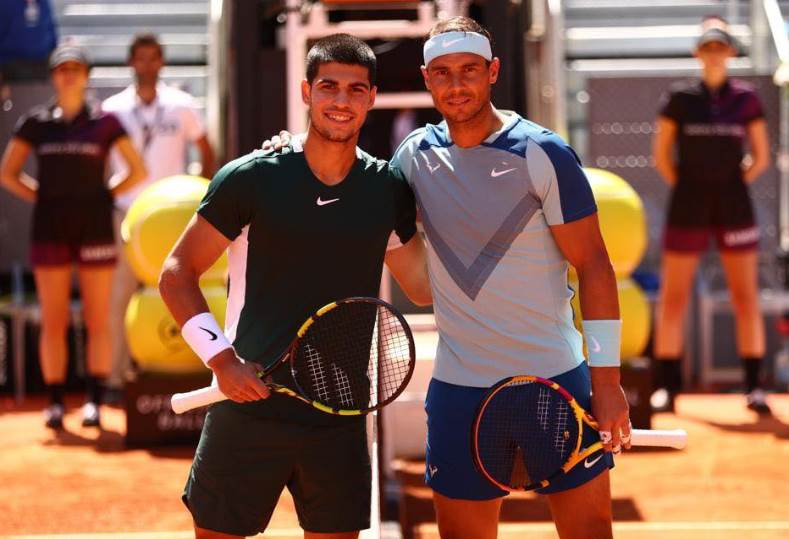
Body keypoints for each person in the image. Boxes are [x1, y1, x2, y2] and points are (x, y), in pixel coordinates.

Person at [266, 16, 631, 539]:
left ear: (493, 72)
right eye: (442, 72)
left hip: (555, 380)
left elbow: (595, 265)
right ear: (425, 78)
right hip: (460, 390)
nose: (456, 84)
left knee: (589, 532)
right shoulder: (414, 156)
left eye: (468, 70)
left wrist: (609, 383)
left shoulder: (543, 153)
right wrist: (290, 150)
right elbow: (360, 197)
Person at [158, 34, 430, 539]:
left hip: (340, 413)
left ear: (372, 98)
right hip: (246, 411)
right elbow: (177, 274)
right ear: (306, 92)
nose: (341, 101)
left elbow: (424, 288)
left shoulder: (387, 190)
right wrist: (221, 361)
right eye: (329, 87)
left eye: (355, 89)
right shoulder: (251, 178)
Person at [0, 44, 146, 429]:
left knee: (97, 319)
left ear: (86, 75)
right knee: (54, 319)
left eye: (76, 69)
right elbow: (7, 172)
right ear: (53, 76)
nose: (68, 75)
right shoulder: (35, 122)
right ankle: (54, 402)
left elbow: (137, 169)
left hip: (95, 227)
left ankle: (94, 400)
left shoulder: (105, 121)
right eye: (62, 69)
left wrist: (105, 195)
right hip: (50, 227)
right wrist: (43, 198)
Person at [652, 16, 772, 415]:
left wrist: (730, 183)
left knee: (744, 296)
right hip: (688, 203)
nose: (714, 54)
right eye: (708, 47)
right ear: (697, 53)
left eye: (721, 47)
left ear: (731, 52)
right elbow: (662, 156)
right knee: (674, 297)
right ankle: (669, 388)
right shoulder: (680, 98)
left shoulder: (747, 99)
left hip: (734, 205)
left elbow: (761, 156)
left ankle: (754, 388)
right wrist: (691, 185)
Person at [102, 33, 215, 396]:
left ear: (162, 62)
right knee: (120, 295)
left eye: (153, 58)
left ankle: (191, 369)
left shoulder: (180, 104)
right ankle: (118, 377)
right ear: (130, 62)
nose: (147, 65)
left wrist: (199, 188)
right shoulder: (112, 109)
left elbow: (204, 147)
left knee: (182, 290)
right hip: (128, 215)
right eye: (141, 58)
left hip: (172, 216)